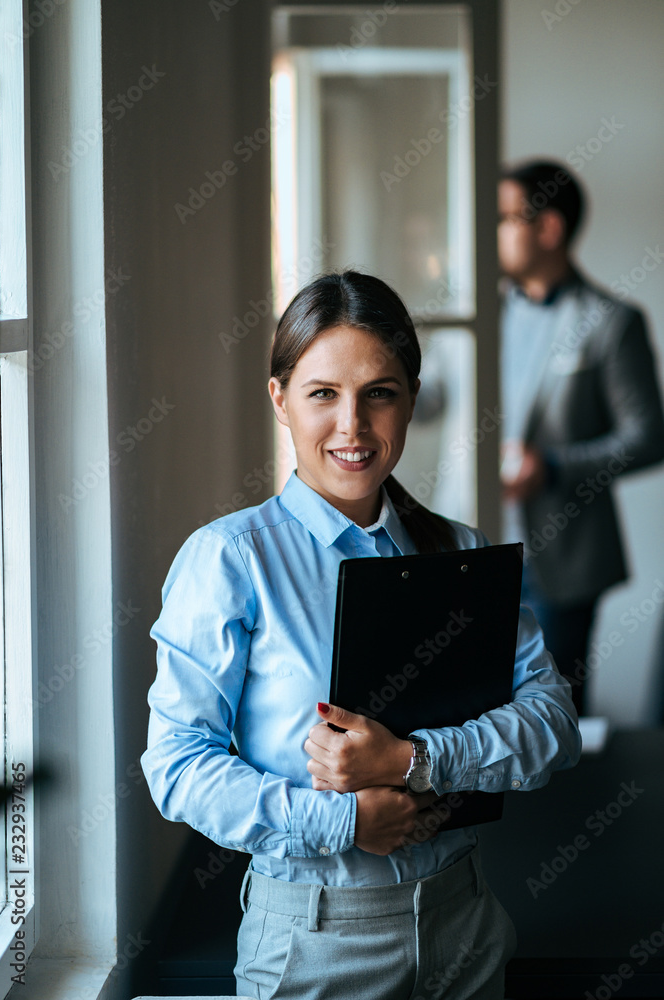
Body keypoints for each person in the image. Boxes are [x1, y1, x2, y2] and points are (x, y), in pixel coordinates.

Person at [142, 270, 581, 1000]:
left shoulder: (459, 552)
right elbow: (178, 768)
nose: (353, 426)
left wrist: (415, 760)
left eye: (379, 392)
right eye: (323, 394)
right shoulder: (230, 559)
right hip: (315, 944)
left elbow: (553, 725)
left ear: (410, 400)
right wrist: (345, 820)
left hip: (465, 927)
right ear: (280, 399)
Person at [497, 160, 664, 716]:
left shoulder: (612, 322)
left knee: (555, 717)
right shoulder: (478, 315)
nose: (493, 230)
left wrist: (552, 466)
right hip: (475, 546)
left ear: (548, 229)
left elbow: (648, 437)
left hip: (563, 559)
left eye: (504, 217)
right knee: (474, 711)